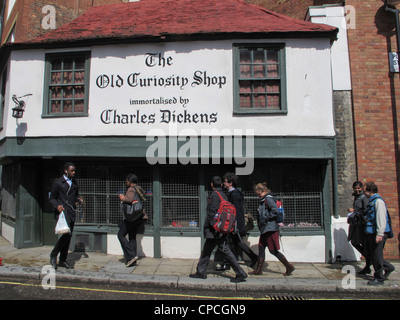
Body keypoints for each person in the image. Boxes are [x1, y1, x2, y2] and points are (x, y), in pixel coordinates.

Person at [189, 176, 248, 283]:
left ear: (212, 184)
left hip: (215, 230)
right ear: (221, 185)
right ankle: (201, 271)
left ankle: (240, 273)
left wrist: (214, 227)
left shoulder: (215, 195)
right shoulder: (223, 195)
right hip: (219, 229)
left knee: (225, 251)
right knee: (207, 250)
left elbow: (212, 213)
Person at [215, 173, 258, 271]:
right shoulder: (235, 193)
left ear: (230, 183)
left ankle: (228, 264)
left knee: (230, 243)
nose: (224, 183)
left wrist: (234, 226)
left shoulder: (234, 195)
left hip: (234, 224)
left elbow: (235, 212)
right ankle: (253, 257)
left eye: (225, 181)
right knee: (236, 242)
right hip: (235, 224)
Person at [250, 182, 295, 276]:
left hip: (270, 229)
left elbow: (274, 210)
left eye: (257, 192)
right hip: (265, 229)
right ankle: (258, 270)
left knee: (273, 250)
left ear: (261, 191)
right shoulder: (264, 199)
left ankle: (289, 266)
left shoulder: (268, 199)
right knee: (261, 247)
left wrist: (266, 218)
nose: (257, 194)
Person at [49, 162, 83, 269]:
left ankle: (63, 260)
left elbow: (75, 196)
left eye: (74, 170)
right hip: (62, 213)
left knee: (68, 237)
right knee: (66, 235)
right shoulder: (58, 182)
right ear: (66, 171)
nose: (74, 172)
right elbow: (52, 198)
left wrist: (79, 199)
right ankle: (53, 255)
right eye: (71, 170)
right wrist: (57, 205)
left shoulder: (74, 183)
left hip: (71, 211)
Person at [363, 181, 395, 285]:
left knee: (376, 255)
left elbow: (381, 218)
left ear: (370, 190)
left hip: (377, 233)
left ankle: (379, 278)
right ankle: (388, 267)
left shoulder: (378, 202)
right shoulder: (372, 201)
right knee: (372, 254)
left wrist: (380, 234)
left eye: (365, 190)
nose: (364, 192)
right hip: (371, 233)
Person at [118, 173, 147, 267]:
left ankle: (130, 256)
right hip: (139, 217)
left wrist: (122, 198)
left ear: (129, 181)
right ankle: (133, 260)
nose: (126, 182)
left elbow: (129, 199)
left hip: (131, 217)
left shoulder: (131, 189)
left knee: (120, 234)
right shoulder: (139, 189)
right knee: (132, 237)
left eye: (126, 181)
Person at [347, 181, 371, 274]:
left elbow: (366, 211)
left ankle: (368, 262)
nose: (357, 190)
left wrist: (354, 210)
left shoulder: (364, 198)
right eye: (355, 188)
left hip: (361, 224)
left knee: (360, 243)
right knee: (355, 242)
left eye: (359, 188)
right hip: (356, 223)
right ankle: (368, 263)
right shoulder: (356, 197)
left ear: (362, 188)